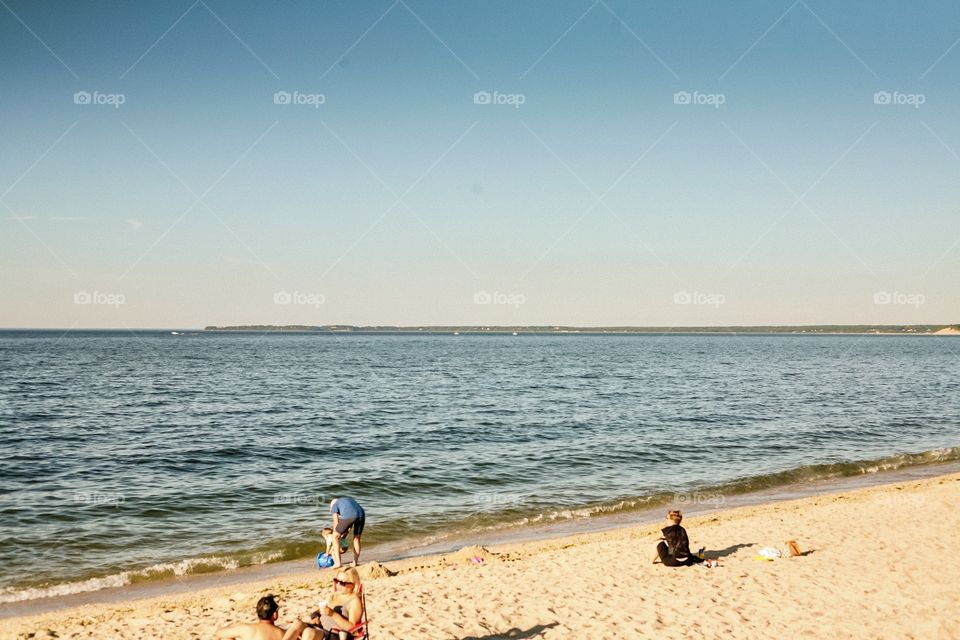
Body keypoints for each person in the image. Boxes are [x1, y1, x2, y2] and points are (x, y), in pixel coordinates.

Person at [282, 567, 364, 640]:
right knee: (298, 623)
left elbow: (353, 629)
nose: (338, 585)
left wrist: (333, 614)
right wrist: (315, 616)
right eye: (336, 581)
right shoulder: (334, 595)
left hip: (335, 634)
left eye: (342, 583)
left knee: (309, 632)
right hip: (320, 628)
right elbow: (319, 610)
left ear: (353, 584)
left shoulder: (354, 601)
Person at [215, 594, 285, 640]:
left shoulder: (246, 629)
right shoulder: (283, 633)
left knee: (227, 637)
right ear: (275, 614)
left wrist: (232, 626)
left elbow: (218, 633)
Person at [329, 497, 365, 568]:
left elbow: (336, 523)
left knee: (334, 537)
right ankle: (355, 562)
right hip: (361, 514)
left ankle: (338, 563)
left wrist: (336, 535)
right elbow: (349, 526)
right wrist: (343, 537)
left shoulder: (334, 505)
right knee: (356, 538)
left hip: (350, 515)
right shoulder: (346, 501)